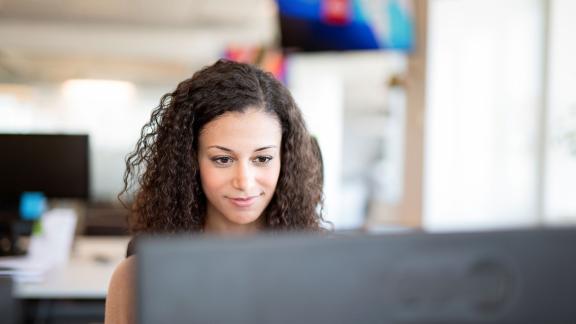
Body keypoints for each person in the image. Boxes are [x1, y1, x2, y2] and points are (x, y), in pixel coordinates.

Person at [105, 59, 325, 324]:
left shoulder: (320, 270)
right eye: (223, 159)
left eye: (263, 159)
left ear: (284, 159)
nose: (244, 181)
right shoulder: (135, 277)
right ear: (190, 161)